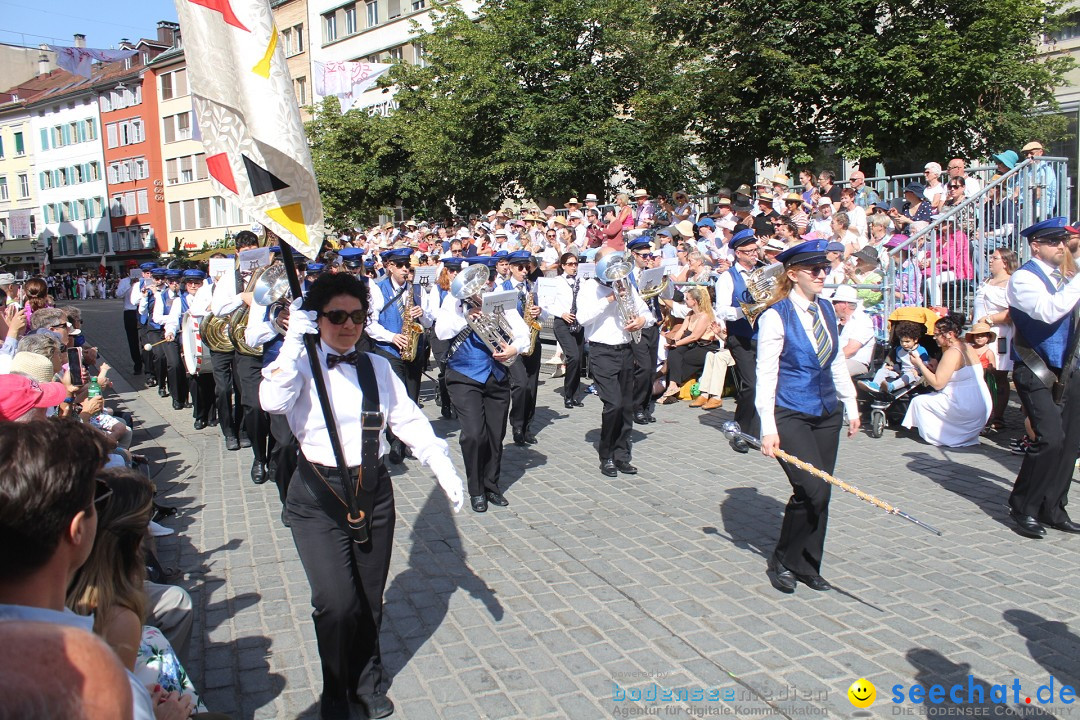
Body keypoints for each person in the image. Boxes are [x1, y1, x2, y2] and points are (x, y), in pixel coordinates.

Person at [260, 272, 465, 720]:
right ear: (316, 318)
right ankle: (336, 687)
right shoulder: (298, 364)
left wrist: (441, 464)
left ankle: (368, 678)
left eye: (357, 315)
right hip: (317, 497)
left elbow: (408, 421)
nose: (348, 324)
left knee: (369, 598)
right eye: (337, 316)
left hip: (372, 492)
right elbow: (272, 401)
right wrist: (294, 342)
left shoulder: (376, 366)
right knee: (336, 601)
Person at [755, 239, 859, 594]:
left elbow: (836, 361)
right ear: (793, 273)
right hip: (791, 412)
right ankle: (783, 558)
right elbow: (766, 375)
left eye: (824, 268)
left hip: (828, 412)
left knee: (821, 493)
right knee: (810, 488)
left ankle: (807, 563)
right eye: (813, 269)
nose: (820, 274)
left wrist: (852, 402)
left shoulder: (827, 309)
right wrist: (768, 428)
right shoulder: (775, 315)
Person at [1004, 217, 1080, 538]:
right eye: (1053, 241)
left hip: (1071, 368)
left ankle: (1053, 506)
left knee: (1070, 444)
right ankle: (1023, 505)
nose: (1061, 246)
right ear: (1036, 245)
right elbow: (1048, 311)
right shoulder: (1023, 278)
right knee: (1049, 438)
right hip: (1036, 367)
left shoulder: (1069, 276)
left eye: (1063, 241)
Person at [435, 255, 528, 511]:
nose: (479, 287)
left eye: (483, 280)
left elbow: (522, 333)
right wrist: (466, 316)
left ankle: (491, 485)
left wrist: (514, 348)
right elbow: (442, 332)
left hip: (497, 374)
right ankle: (476, 489)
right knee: (474, 435)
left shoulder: (498, 299)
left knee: (495, 435)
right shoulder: (453, 303)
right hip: (465, 375)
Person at [576, 246, 652, 477]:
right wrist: (609, 299)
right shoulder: (589, 287)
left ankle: (622, 456)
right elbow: (582, 318)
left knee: (626, 406)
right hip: (601, 352)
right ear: (600, 265)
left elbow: (647, 314)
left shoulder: (626, 284)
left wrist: (641, 320)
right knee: (614, 404)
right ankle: (606, 455)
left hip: (626, 350)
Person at [902, 315, 993, 447]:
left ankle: (945, 436)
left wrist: (920, 364)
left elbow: (938, 384)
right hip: (981, 405)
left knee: (918, 401)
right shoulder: (967, 346)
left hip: (966, 406)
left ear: (949, 334)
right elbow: (957, 373)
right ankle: (958, 433)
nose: (934, 338)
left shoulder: (952, 352)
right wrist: (935, 368)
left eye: (937, 334)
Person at [713, 229, 764, 452]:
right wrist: (747, 311)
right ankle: (740, 431)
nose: (755, 254)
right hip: (741, 336)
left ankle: (756, 431)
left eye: (756, 250)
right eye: (750, 251)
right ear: (738, 253)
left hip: (765, 336)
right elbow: (723, 311)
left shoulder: (763, 272)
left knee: (763, 385)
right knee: (750, 384)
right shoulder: (727, 277)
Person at [502, 251, 545, 445]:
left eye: (527, 267)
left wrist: (540, 311)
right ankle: (517, 425)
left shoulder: (532, 288)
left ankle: (528, 426)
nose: (524, 271)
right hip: (512, 344)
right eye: (520, 267)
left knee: (532, 387)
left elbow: (545, 314)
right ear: (510, 267)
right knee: (520, 384)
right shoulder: (501, 289)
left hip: (533, 341)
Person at [974, 248, 1017, 430]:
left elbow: (1012, 312)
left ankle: (997, 417)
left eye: (995, 258)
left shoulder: (1011, 283)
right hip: (979, 334)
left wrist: (990, 319)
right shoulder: (987, 280)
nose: (990, 261)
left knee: (997, 374)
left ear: (1005, 262)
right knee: (981, 374)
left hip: (999, 334)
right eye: (990, 257)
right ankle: (983, 414)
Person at [657, 287, 719, 403]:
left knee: (686, 358)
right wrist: (674, 342)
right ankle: (672, 386)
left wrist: (677, 343)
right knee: (674, 353)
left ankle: (671, 386)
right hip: (695, 344)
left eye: (687, 298)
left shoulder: (704, 316)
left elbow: (694, 336)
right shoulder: (690, 314)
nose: (685, 300)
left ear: (694, 301)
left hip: (707, 346)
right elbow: (682, 331)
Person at [628, 237, 664, 424]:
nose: (646, 258)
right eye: (643, 255)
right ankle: (637, 407)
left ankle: (645, 405)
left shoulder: (651, 273)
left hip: (653, 324)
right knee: (642, 367)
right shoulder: (628, 276)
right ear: (634, 255)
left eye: (648, 254)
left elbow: (668, 294)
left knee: (651, 369)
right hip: (638, 326)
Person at [547, 251, 586, 409]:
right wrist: (561, 313)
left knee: (579, 359)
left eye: (575, 264)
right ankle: (568, 395)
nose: (573, 267)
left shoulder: (582, 281)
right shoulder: (556, 281)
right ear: (563, 266)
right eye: (570, 264)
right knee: (573, 357)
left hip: (578, 322)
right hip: (562, 323)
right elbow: (548, 303)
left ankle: (576, 395)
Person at [829, 285, 875, 376]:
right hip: (839, 360)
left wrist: (827, 361)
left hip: (856, 362)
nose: (833, 305)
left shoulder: (863, 321)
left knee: (830, 370)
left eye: (834, 302)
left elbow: (851, 350)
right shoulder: (835, 320)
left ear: (844, 304)